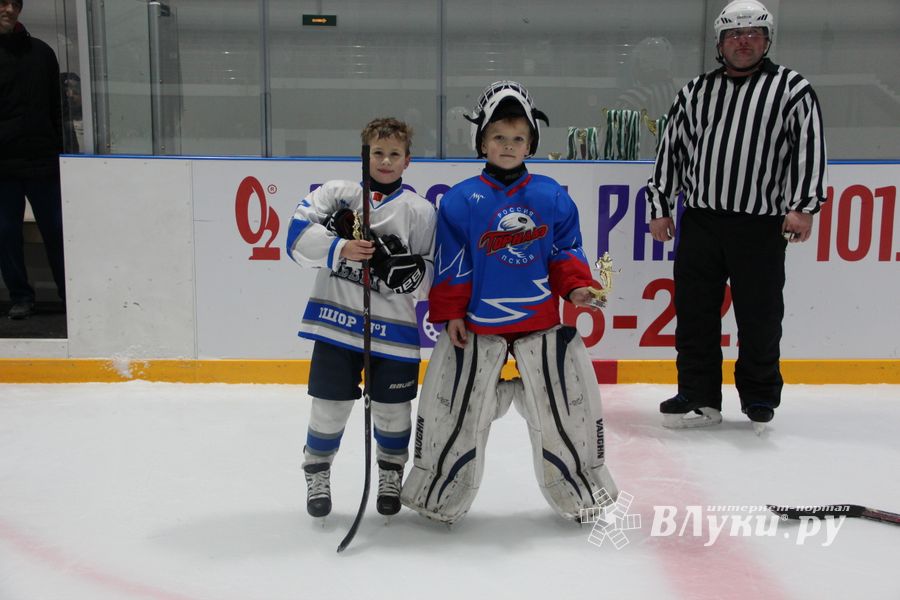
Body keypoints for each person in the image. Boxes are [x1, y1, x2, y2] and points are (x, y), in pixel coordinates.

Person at [401, 81, 617, 525]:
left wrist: (577, 288)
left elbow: (564, 253)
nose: (508, 145)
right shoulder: (460, 199)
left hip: (539, 324)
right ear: (481, 140)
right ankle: (438, 495)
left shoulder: (551, 195)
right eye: (499, 137)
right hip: (479, 326)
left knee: (563, 411)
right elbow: (454, 264)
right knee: (456, 412)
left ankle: (582, 493)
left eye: (518, 138)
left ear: (531, 143)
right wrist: (451, 314)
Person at [646, 0, 827, 433]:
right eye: (734, 34)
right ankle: (698, 392)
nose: (743, 42)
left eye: (752, 34)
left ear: (766, 40)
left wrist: (803, 207)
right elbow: (672, 148)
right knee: (694, 312)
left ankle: (760, 396)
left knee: (760, 314)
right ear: (720, 43)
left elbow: (809, 149)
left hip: (760, 224)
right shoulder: (695, 91)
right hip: (703, 220)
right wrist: (660, 206)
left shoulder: (792, 89)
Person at [285, 117, 436, 519]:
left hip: (395, 334)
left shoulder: (420, 211)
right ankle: (316, 472)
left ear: (408, 161)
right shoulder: (337, 194)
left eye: (395, 154)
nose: (385, 161)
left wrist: (405, 272)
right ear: (365, 154)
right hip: (336, 325)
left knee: (393, 410)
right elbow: (295, 240)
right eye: (377, 152)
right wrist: (339, 247)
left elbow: (432, 278)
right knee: (329, 407)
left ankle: (390, 473)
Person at [0, 0, 66, 319]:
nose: (9, 9)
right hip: (3, 166)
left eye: (15, 4)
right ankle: (21, 296)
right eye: (3, 3)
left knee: (56, 229)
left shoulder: (41, 53)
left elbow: (57, 109)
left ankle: (69, 293)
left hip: (42, 161)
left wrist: (63, 151)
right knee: (5, 231)